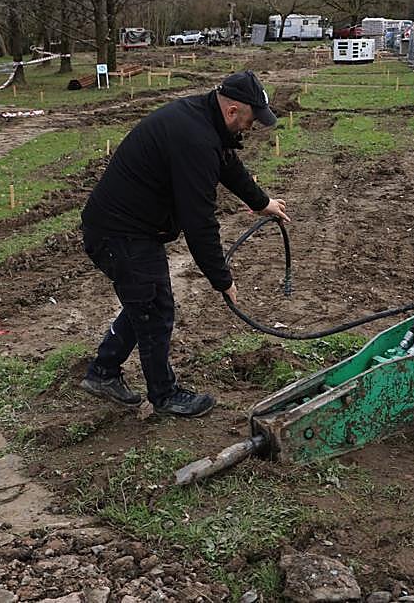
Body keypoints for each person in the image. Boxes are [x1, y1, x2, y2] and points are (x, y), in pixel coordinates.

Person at [78, 70, 291, 417]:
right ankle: (164, 396)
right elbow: (199, 222)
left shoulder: (205, 119)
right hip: (119, 232)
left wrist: (261, 201)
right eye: (252, 118)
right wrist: (221, 278)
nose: (252, 128)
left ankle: (102, 373)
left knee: (144, 301)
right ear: (233, 110)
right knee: (156, 308)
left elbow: (229, 166)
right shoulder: (195, 139)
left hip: (129, 227)